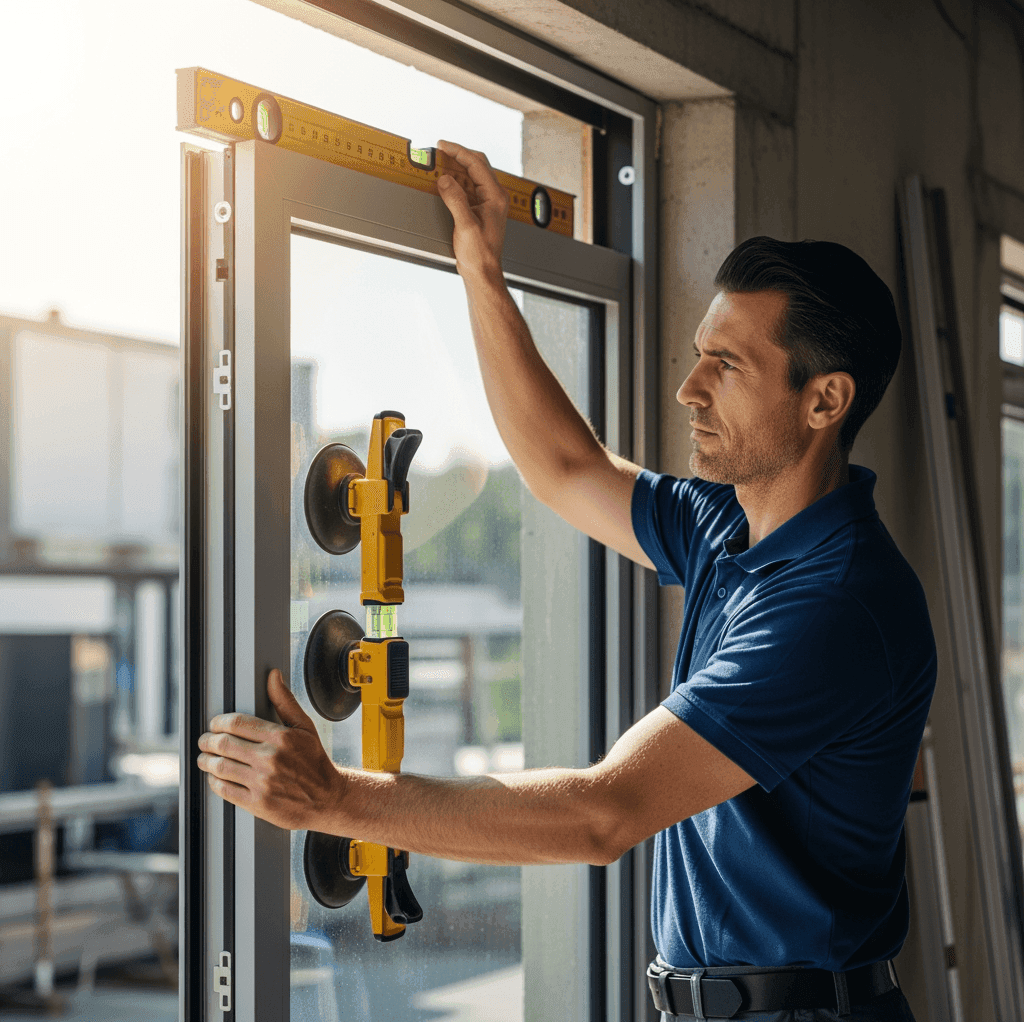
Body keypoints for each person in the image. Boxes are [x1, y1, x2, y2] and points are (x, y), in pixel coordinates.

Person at [197, 141, 934, 1021]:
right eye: (700, 354)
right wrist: (482, 272)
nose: (688, 389)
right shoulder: (724, 524)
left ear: (826, 400)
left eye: (728, 365)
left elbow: (602, 814)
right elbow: (563, 466)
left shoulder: (836, 604)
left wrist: (337, 799)